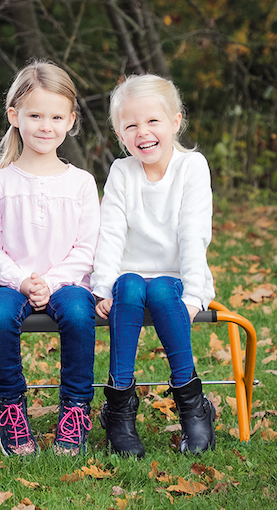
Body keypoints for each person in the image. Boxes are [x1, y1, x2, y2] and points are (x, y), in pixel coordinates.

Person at [91, 74, 216, 457]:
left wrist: (194, 296)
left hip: (176, 279)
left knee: (161, 289)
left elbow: (193, 235)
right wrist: (102, 288)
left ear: (175, 121)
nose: (142, 132)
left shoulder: (191, 167)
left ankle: (193, 405)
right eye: (130, 125)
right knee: (128, 284)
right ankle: (119, 410)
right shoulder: (122, 172)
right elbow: (110, 233)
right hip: (128, 280)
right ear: (119, 133)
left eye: (152, 121)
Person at [0, 60, 100, 457]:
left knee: (81, 316)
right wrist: (22, 280)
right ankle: (11, 408)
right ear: (15, 117)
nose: (45, 126)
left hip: (67, 283)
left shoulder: (81, 182)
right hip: (10, 283)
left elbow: (86, 248)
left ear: (70, 121)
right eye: (34, 115)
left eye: (55, 116)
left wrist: (51, 282)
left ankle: (76, 409)